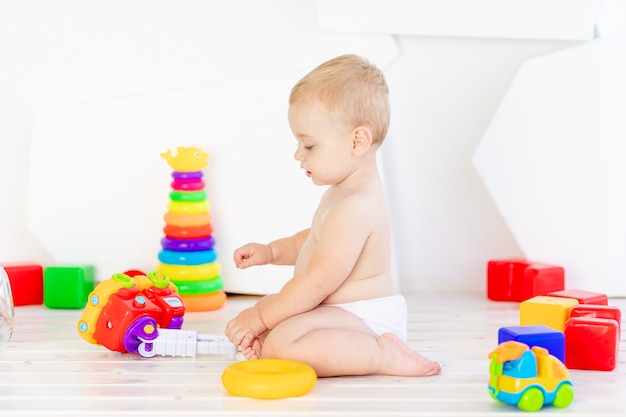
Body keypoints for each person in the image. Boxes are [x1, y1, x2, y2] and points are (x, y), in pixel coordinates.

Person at [225, 54, 441, 378]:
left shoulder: (355, 205)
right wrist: (271, 252)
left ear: (357, 141)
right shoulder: (343, 192)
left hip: (365, 320)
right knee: (275, 331)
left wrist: (260, 314)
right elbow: (314, 240)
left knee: (282, 342)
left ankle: (382, 354)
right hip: (342, 313)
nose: (298, 154)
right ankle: (281, 338)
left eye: (308, 145)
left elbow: (316, 283)